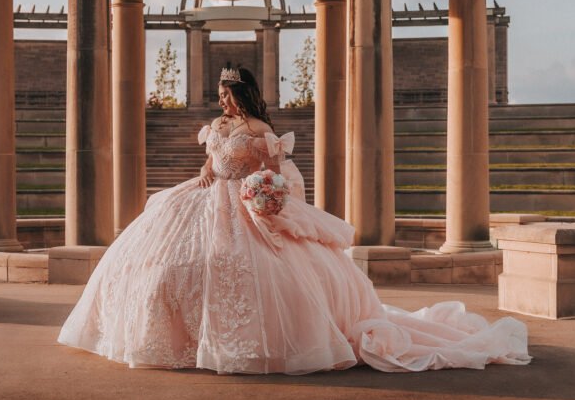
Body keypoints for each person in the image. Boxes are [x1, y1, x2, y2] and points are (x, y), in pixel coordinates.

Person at [58, 67, 530, 374]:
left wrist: (263, 198)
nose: (221, 103)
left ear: (241, 95)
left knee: (253, 272)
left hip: (246, 203)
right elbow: (211, 163)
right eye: (219, 96)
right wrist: (205, 174)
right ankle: (180, 339)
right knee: (165, 264)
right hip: (204, 200)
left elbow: (276, 175)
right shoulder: (218, 128)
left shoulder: (262, 133)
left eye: (227, 95)